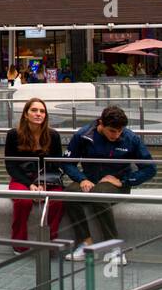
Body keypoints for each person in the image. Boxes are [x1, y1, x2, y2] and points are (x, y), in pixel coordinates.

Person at [61, 106, 155, 261]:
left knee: (99, 194)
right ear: (101, 123)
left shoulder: (131, 138)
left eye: (120, 131)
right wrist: (81, 178)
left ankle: (114, 248)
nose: (116, 135)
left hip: (117, 184)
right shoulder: (83, 135)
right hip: (89, 180)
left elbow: (150, 169)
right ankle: (85, 245)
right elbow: (67, 162)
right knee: (69, 194)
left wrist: (124, 181)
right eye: (112, 131)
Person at [5, 97, 64, 254]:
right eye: (34, 110)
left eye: (42, 111)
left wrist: (43, 183)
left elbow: (57, 164)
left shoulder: (53, 136)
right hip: (22, 178)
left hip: (47, 178)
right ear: (26, 114)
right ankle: (19, 243)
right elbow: (11, 165)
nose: (38, 114)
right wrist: (29, 184)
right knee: (23, 202)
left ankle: (50, 242)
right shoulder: (13, 135)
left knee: (57, 201)